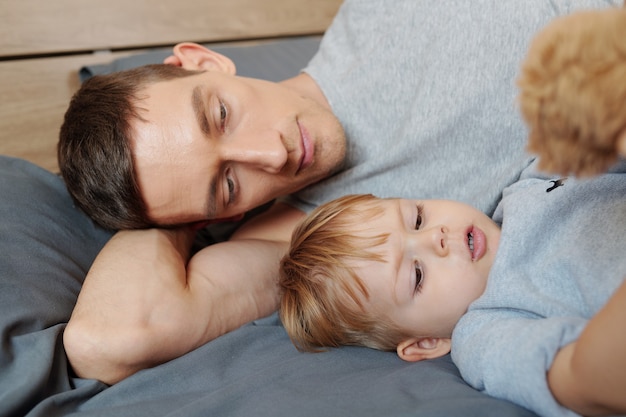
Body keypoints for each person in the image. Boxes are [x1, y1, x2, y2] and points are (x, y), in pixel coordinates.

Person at [58, 0, 620, 385]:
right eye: (227, 184)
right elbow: (107, 341)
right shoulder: (316, 240)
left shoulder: (378, 14)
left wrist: (198, 188)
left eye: (220, 116)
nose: (271, 154)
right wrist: (167, 205)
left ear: (203, 62)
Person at [278, 162, 626, 417]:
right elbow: (581, 379)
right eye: (416, 275)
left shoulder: (536, 182)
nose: (435, 237)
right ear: (426, 343)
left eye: (416, 219)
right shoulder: (486, 334)